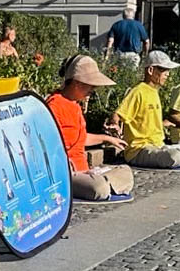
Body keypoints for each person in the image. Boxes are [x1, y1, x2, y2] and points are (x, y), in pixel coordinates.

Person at [45, 55, 135, 201]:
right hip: (68, 173)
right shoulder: (54, 106)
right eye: (91, 86)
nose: (92, 91)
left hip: (86, 171)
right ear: (77, 83)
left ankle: (103, 182)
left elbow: (81, 138)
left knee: (125, 172)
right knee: (99, 187)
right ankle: (104, 184)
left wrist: (108, 138)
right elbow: (48, 146)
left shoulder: (74, 104)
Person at [108, 50, 180, 168]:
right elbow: (117, 114)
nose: (168, 74)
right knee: (173, 156)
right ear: (150, 70)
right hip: (139, 150)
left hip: (159, 146)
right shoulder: (138, 91)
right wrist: (115, 124)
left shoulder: (154, 92)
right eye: (164, 70)